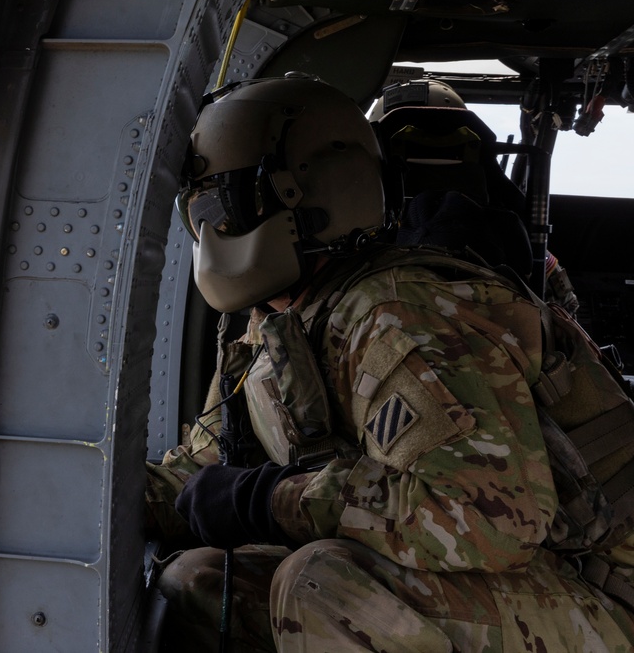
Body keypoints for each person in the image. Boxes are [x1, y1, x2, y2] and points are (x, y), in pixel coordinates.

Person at [145, 76, 634, 651]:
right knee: (198, 580)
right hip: (518, 579)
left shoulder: (402, 312)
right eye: (199, 211)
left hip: (602, 591)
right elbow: (199, 472)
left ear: (305, 193)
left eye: (225, 207)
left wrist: (273, 500)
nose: (213, 231)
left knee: (321, 584)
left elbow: (486, 521)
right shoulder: (280, 327)